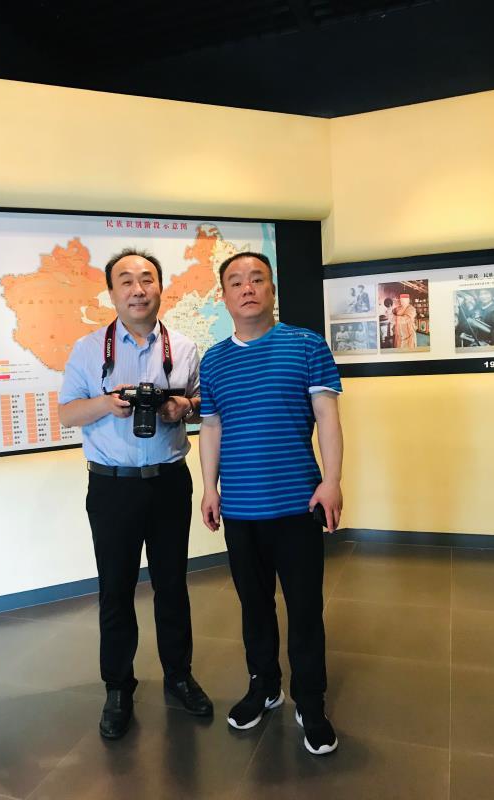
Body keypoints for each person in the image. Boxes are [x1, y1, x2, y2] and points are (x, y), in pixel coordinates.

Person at [59, 248, 213, 740]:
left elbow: (203, 404)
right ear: (111, 292)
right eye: (125, 281)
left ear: (160, 287)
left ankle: (179, 676)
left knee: (172, 585)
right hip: (112, 486)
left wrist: (182, 407)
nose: (137, 289)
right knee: (116, 588)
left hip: (169, 482)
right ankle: (118, 686)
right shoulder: (89, 349)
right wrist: (106, 403)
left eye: (146, 279)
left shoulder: (184, 347)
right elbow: (66, 413)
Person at [199, 252, 343, 756]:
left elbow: (327, 418)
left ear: (271, 289)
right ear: (224, 297)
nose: (247, 288)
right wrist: (209, 488)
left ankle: (311, 699)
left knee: (304, 609)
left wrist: (332, 481)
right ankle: (264, 686)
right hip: (241, 511)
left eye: (257, 279)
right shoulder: (213, 360)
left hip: (297, 505)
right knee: (254, 606)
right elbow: (211, 427)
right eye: (236, 282)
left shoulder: (306, 345)